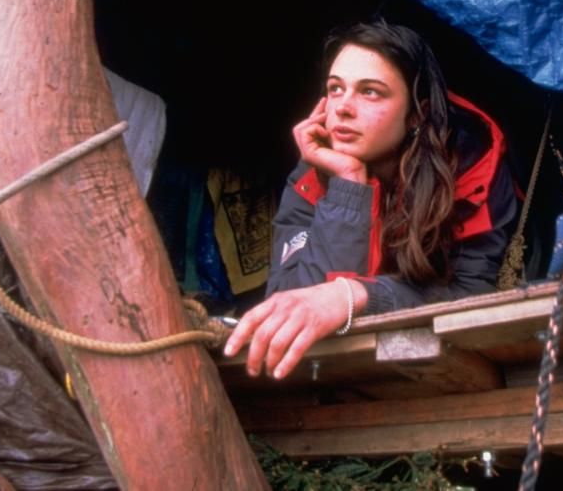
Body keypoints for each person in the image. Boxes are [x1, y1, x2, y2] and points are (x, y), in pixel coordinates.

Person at [223, 21, 520, 379]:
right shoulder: (315, 169)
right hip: (341, 375)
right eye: (335, 89)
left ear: (416, 114)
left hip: (443, 371)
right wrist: (348, 183)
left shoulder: (472, 166)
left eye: (371, 92)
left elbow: (471, 297)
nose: (343, 109)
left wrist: (353, 296)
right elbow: (291, 300)